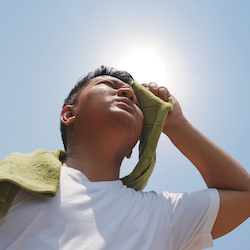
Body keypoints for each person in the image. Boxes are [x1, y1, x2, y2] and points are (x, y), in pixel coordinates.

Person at [0, 66, 249, 250]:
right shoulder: (14, 180)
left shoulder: (161, 215)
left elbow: (244, 194)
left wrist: (176, 124)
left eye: (135, 100)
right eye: (107, 85)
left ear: (133, 148)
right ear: (68, 114)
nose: (127, 94)